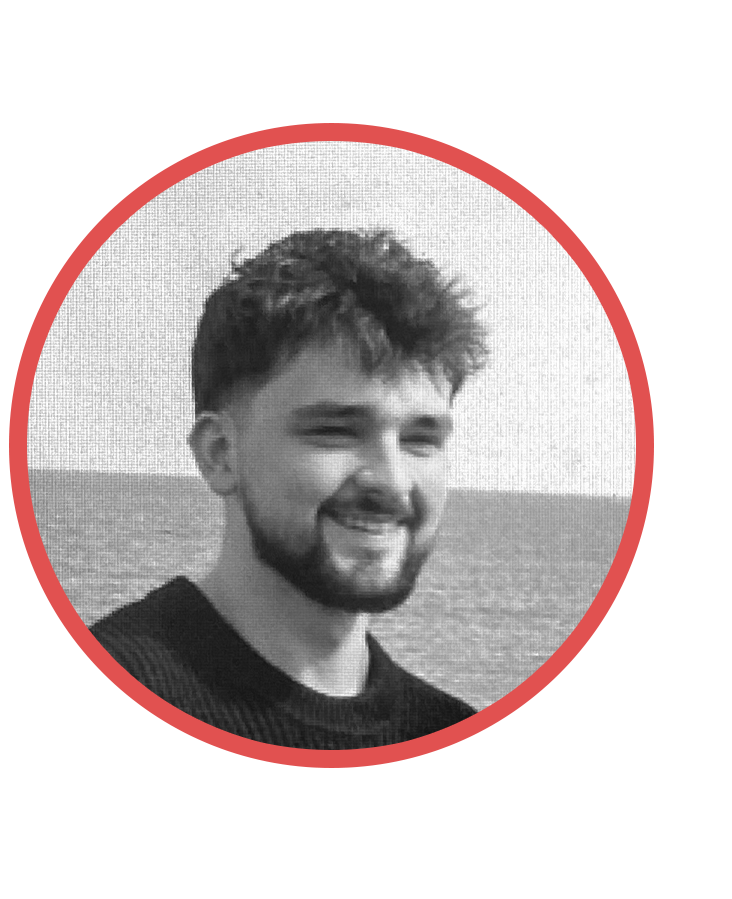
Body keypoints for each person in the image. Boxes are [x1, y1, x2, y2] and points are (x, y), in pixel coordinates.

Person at [91, 229, 488, 749]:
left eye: (421, 439)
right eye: (336, 432)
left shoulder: (450, 734)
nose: (392, 482)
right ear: (220, 454)